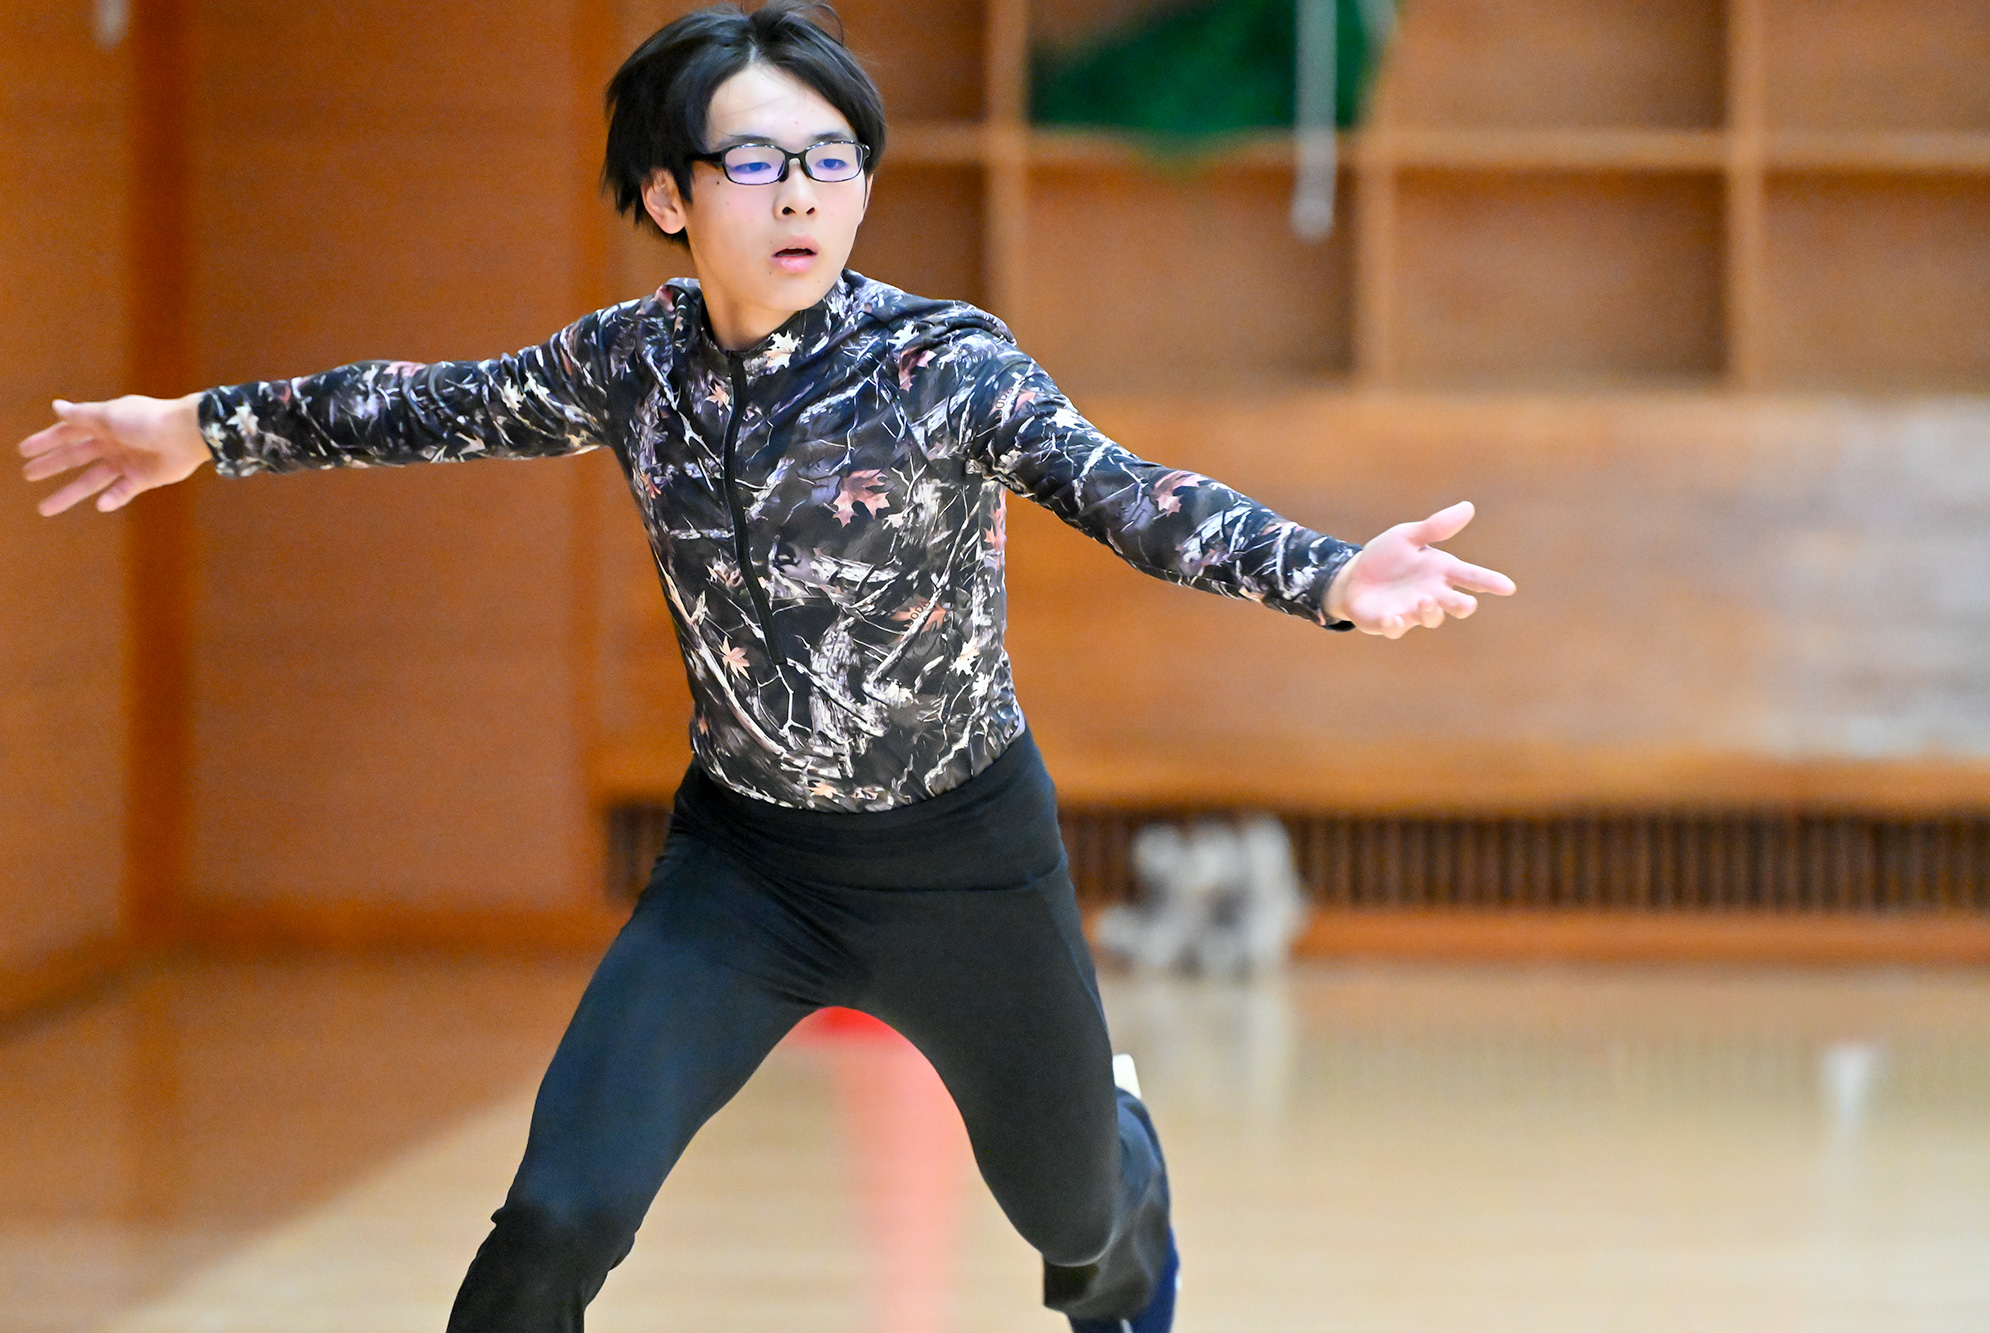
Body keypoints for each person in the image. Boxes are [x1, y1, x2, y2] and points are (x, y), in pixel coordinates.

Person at [17, 3, 1515, 1329]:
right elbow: (427, 403)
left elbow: (1128, 493)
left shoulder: (943, 364)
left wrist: (1329, 575)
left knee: (1076, 1224)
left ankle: (1122, 1156)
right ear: (667, 195)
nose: (801, 193)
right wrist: (195, 428)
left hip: (966, 864)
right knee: (552, 1223)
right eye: (754, 161)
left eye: (831, 159)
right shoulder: (634, 363)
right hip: (745, 873)